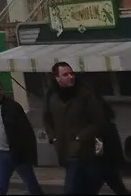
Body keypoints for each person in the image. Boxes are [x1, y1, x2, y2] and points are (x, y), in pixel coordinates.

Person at [42, 61, 108, 195]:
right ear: (57, 78)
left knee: (70, 189)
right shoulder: (52, 95)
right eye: (65, 74)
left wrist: (81, 136)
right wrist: (53, 137)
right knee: (85, 187)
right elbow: (46, 118)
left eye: (71, 73)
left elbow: (98, 120)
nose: (70, 77)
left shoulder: (84, 95)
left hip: (81, 150)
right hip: (63, 149)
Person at [0, 77, 42, 195]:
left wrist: (28, 153)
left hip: (17, 153)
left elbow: (26, 131)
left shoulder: (12, 106)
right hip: (1, 154)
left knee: (31, 184)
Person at [97, 100, 130, 195]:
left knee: (91, 188)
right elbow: (116, 145)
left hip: (104, 163)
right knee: (118, 187)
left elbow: (100, 146)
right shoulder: (110, 126)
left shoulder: (101, 128)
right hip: (110, 163)